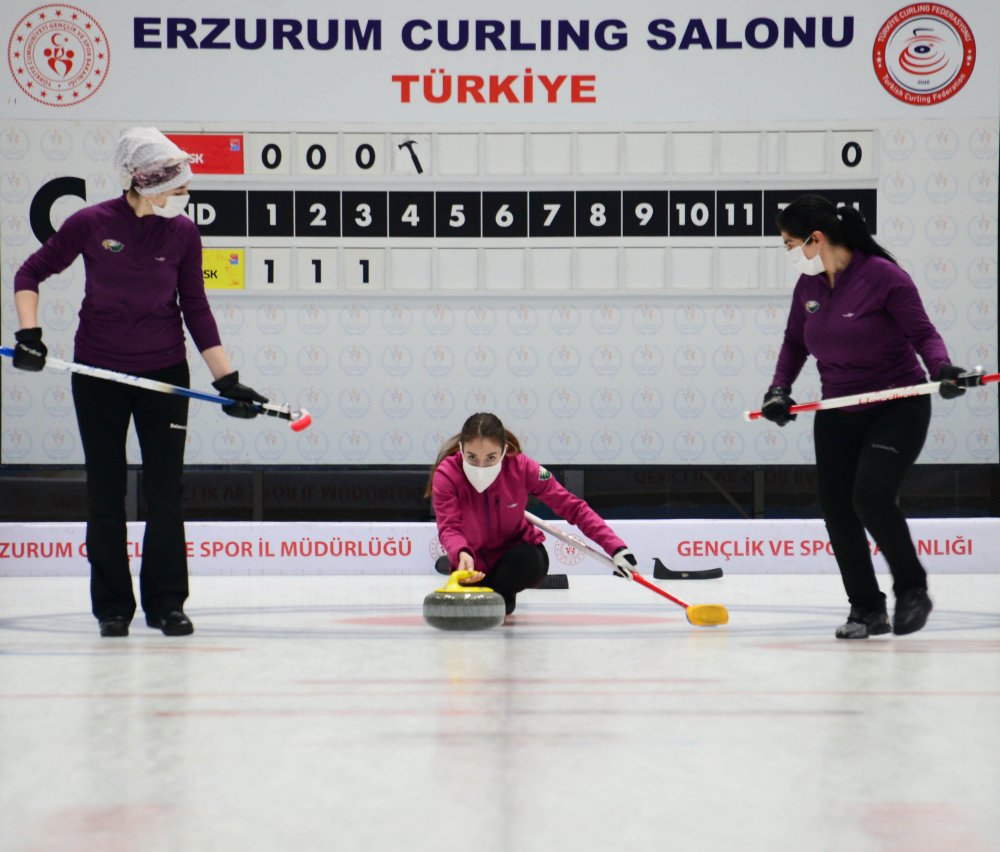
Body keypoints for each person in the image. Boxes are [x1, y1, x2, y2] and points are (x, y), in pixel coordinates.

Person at [12, 127, 268, 639]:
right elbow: (29, 274)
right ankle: (112, 607)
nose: (184, 198)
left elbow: (195, 307)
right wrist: (30, 335)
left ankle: (166, 604)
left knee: (165, 492)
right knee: (106, 493)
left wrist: (229, 381)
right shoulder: (91, 223)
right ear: (144, 182)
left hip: (164, 375)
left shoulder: (183, 234)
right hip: (99, 375)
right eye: (177, 189)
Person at [761, 193, 978, 639]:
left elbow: (923, 333)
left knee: (871, 497)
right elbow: (794, 343)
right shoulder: (809, 287)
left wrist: (942, 370)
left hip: (897, 405)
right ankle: (866, 609)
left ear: (816, 239)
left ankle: (913, 589)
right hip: (838, 411)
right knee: (838, 511)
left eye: (789, 244)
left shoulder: (885, 278)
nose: (788, 254)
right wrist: (778, 391)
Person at [426, 412, 637, 617]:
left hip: (515, 557)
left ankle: (498, 596)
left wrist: (616, 547)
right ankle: (485, 589)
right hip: (473, 560)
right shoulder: (446, 475)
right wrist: (461, 554)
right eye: (472, 457)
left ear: (504, 451)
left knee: (528, 562)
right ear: (461, 450)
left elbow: (573, 507)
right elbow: (449, 527)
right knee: (479, 582)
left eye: (490, 458)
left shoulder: (523, 468)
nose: (481, 467)